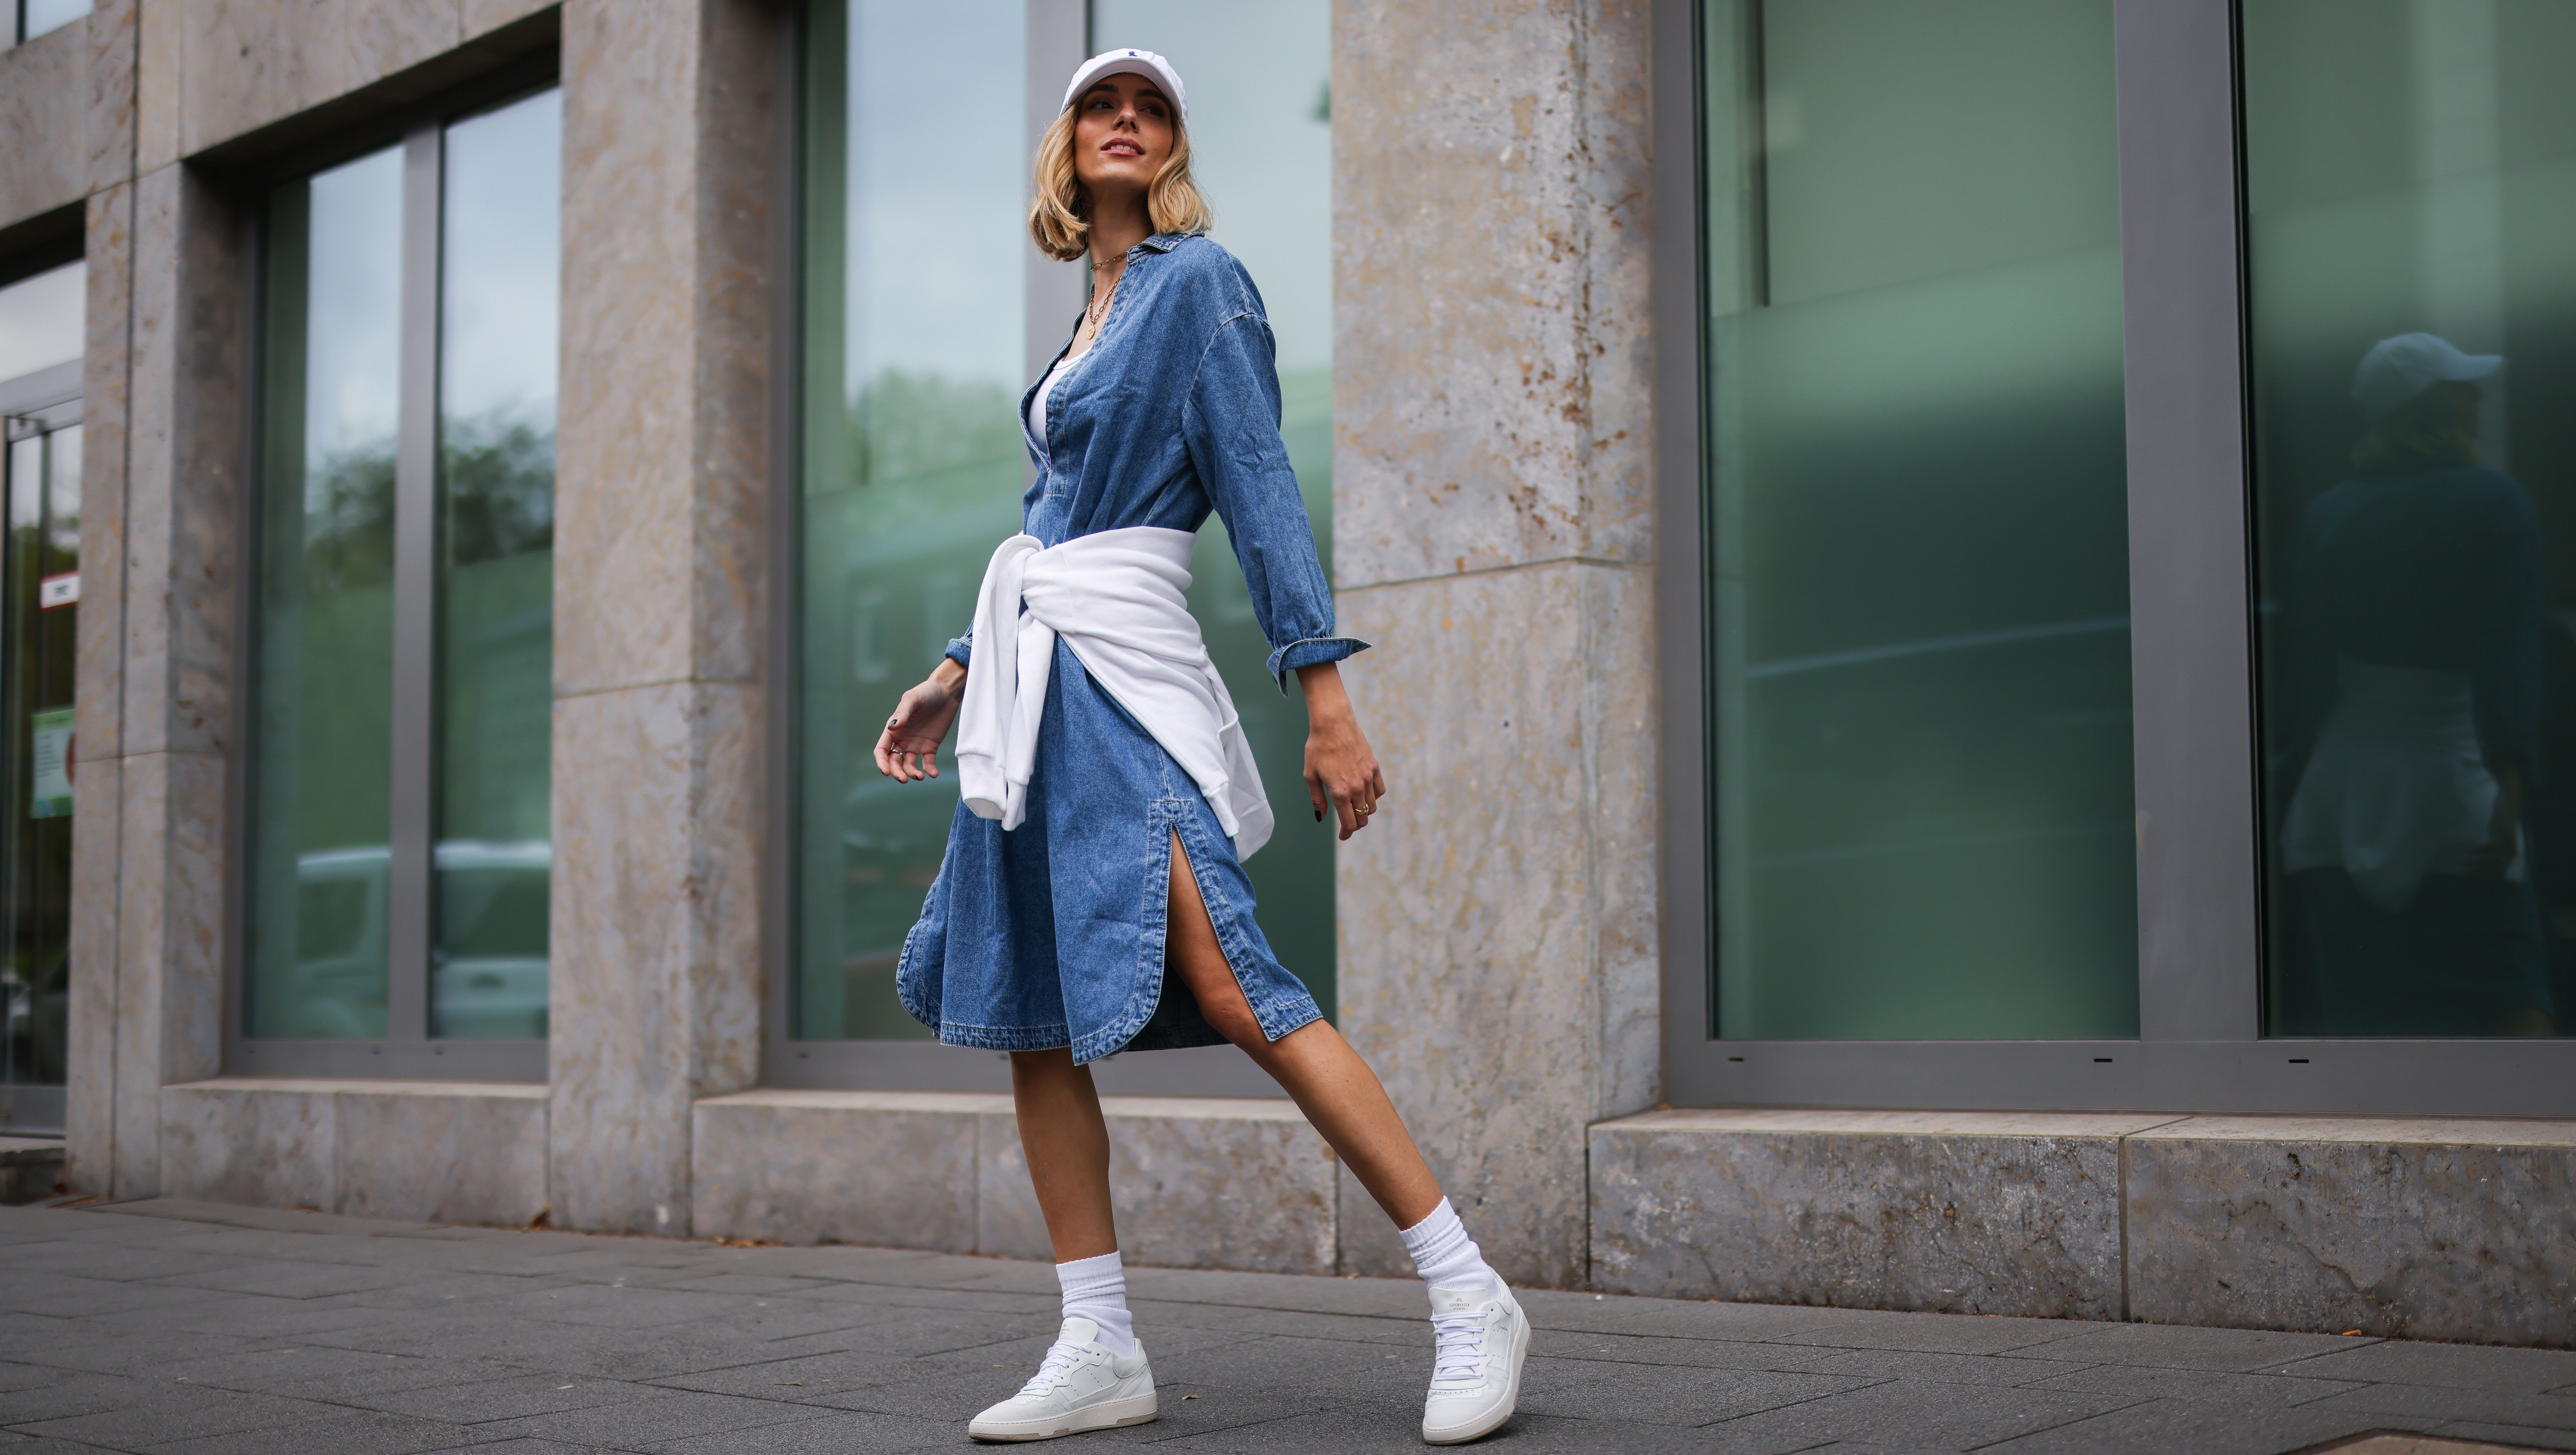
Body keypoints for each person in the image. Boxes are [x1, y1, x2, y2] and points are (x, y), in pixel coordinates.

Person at [871, 49, 1531, 1446]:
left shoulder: (1196, 285)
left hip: (1123, 686)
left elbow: (1257, 479)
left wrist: (1323, 690)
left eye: (1151, 107)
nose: (1126, 119)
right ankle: (1097, 1337)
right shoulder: (1087, 319)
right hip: (1037, 690)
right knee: (1034, 1019)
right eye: (1103, 104)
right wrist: (951, 665)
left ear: (1169, 148)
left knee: (1236, 981)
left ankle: (1469, 1290)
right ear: (1066, 144)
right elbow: (1045, 527)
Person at [2275, 332, 2555, 1037]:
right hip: (2457, 787)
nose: (2478, 398)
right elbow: (2506, 651)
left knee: (2370, 1032)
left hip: (2338, 803)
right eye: (2463, 387)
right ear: (2431, 405)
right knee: (2514, 1015)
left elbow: (2304, 667)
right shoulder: (2495, 502)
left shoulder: (2328, 515)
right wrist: (2511, 785)